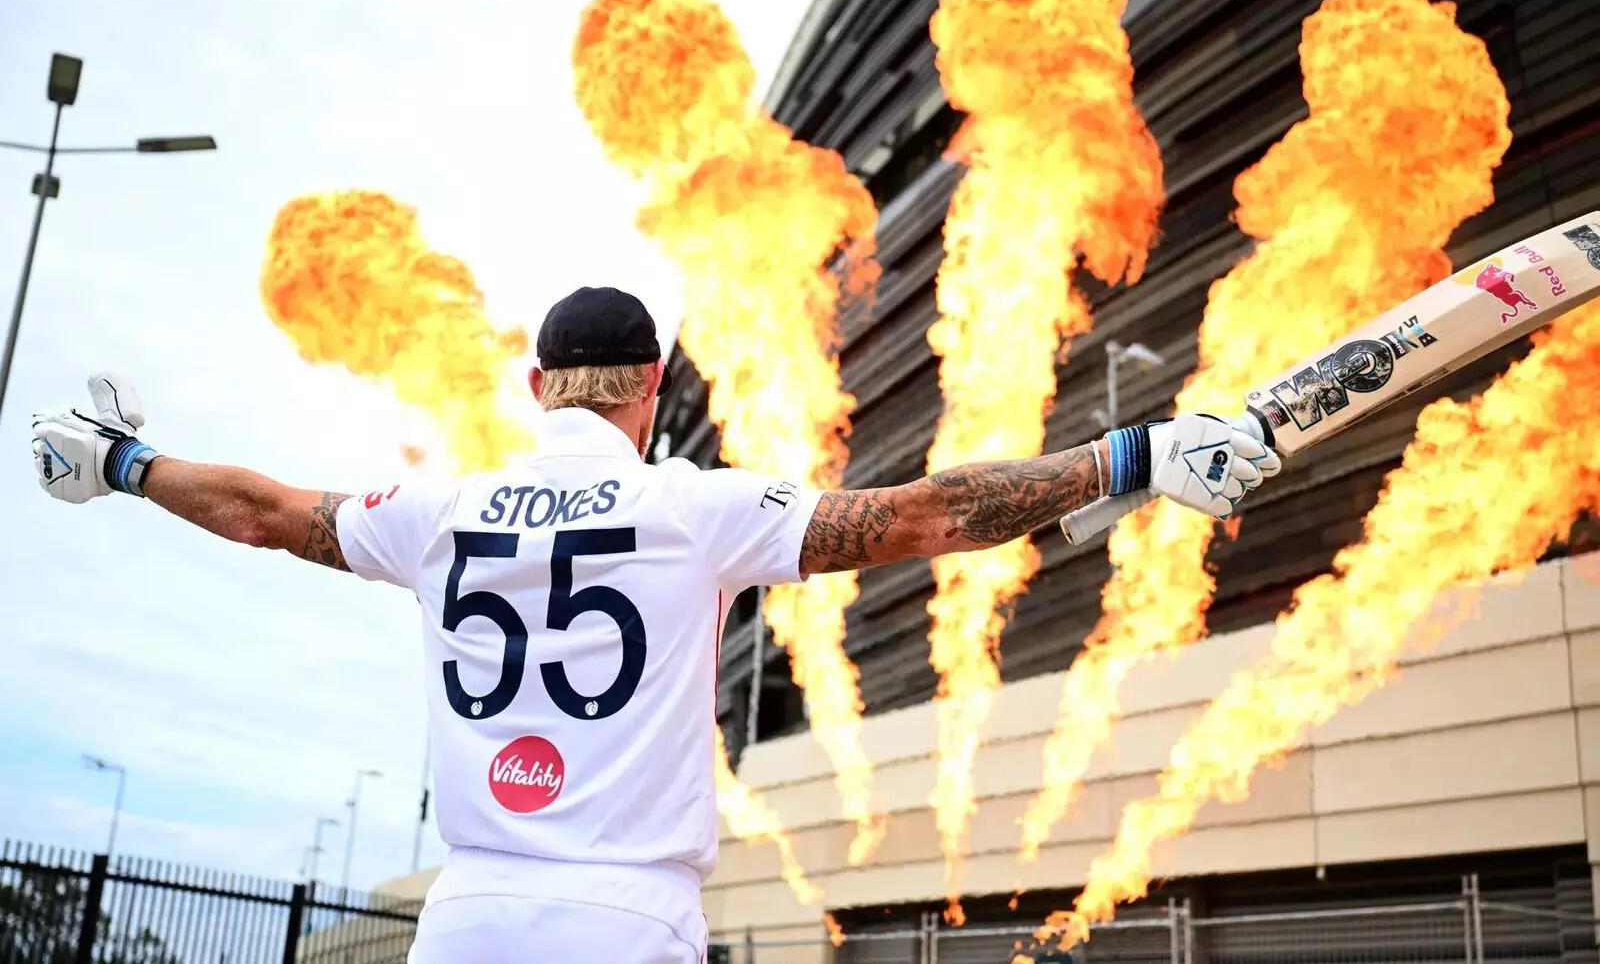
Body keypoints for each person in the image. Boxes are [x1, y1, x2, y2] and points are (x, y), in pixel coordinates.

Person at [30, 285, 1280, 963]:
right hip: (625, 918)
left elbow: (260, 511)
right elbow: (917, 517)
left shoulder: (436, 513)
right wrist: (1130, 453)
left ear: (537, 389)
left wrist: (127, 464)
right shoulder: (693, 507)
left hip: (466, 917)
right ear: (653, 393)